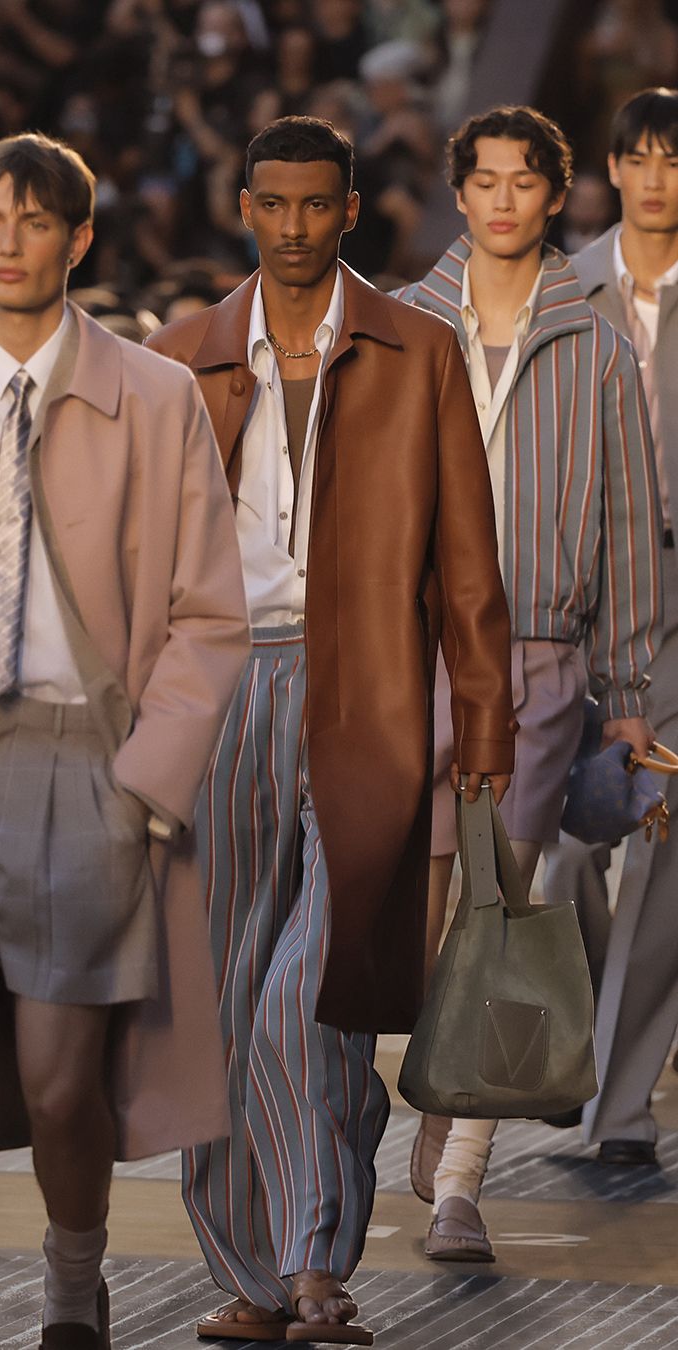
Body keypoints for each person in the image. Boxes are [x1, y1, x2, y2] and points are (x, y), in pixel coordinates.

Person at [146, 114, 515, 1343]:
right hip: (216, 693)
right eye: (274, 204)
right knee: (226, 991)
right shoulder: (182, 358)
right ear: (243, 207)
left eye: (318, 205)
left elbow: (469, 561)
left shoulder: (417, 350)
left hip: (367, 691)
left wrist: (484, 732)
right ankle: (250, 1278)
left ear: (350, 211)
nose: (295, 226)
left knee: (311, 984)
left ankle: (312, 1266)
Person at [0, 132, 250, 1350]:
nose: (7, 241)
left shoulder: (152, 395)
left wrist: (145, 789)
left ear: (79, 240)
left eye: (34, 221)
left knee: (58, 1090)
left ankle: (69, 1285)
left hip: (86, 761)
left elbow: (213, 611)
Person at [399, 104, 662, 1259]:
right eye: (485, 181)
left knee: (498, 910)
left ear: (557, 196)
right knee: (408, 901)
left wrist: (632, 690)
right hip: (410, 652)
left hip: (542, 660)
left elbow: (624, 531)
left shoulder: (596, 347)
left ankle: (459, 1172)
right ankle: (419, 1088)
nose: (503, 199)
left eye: (524, 182)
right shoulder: (401, 327)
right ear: (459, 194)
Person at [544, 87, 678, 1168]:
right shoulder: (560, 288)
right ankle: (569, 1048)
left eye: (671, 159)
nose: (655, 177)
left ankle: (620, 1109)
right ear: (613, 168)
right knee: (568, 846)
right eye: (637, 157)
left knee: (668, 847)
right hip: (576, 601)